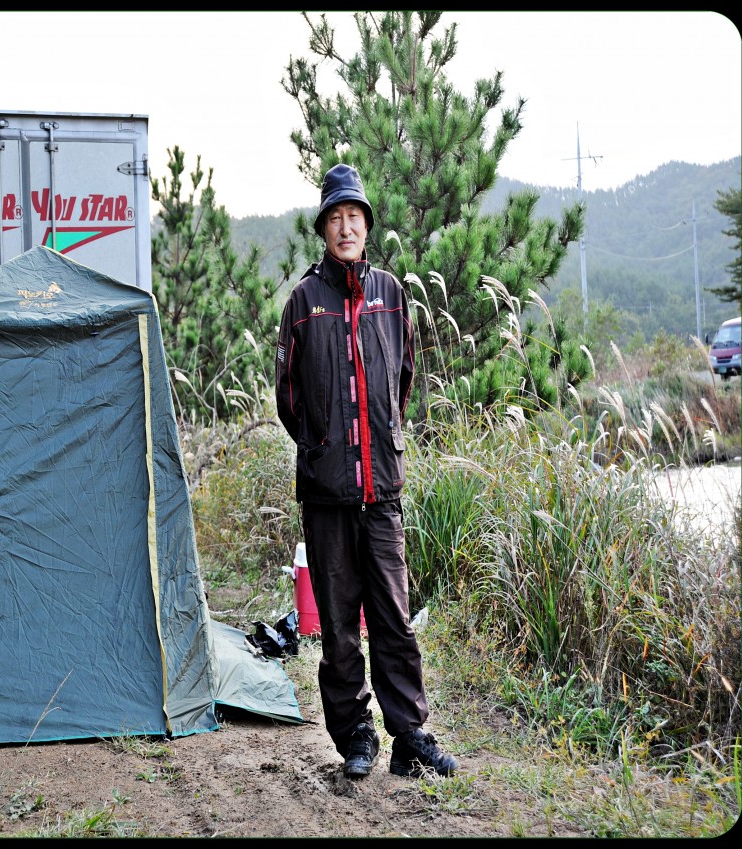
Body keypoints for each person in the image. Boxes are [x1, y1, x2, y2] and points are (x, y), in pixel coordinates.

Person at [274, 163, 458, 779]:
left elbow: (402, 379)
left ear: (366, 226)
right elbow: (288, 398)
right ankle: (355, 735)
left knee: (394, 618)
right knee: (338, 624)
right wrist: (325, 446)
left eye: (355, 217)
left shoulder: (391, 294)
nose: (346, 227)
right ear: (324, 229)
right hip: (326, 493)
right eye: (336, 218)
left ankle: (409, 737)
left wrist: (379, 440)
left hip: (382, 489)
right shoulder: (304, 302)